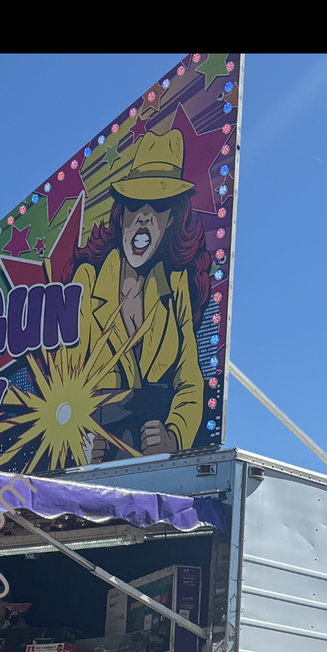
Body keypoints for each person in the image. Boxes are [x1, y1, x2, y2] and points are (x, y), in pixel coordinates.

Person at [73, 130, 210, 460]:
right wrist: (78, 441)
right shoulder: (87, 282)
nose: (145, 215)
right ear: (121, 214)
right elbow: (67, 381)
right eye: (136, 203)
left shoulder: (175, 286)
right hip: (98, 456)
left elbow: (190, 381)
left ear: (171, 218)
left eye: (159, 205)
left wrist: (175, 437)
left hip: (153, 458)